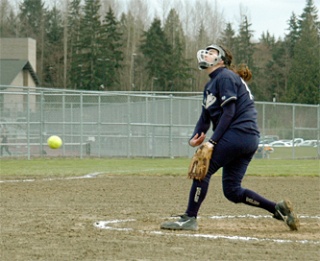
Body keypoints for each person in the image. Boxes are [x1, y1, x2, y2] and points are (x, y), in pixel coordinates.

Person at [160, 44, 299, 231]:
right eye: (207, 51)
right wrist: (194, 138)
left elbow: (229, 112)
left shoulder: (225, 76)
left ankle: (190, 218)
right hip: (246, 138)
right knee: (232, 191)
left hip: (239, 134)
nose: (207, 54)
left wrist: (212, 143)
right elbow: (204, 119)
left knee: (203, 170)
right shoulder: (212, 84)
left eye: (212, 52)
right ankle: (277, 209)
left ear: (221, 60)